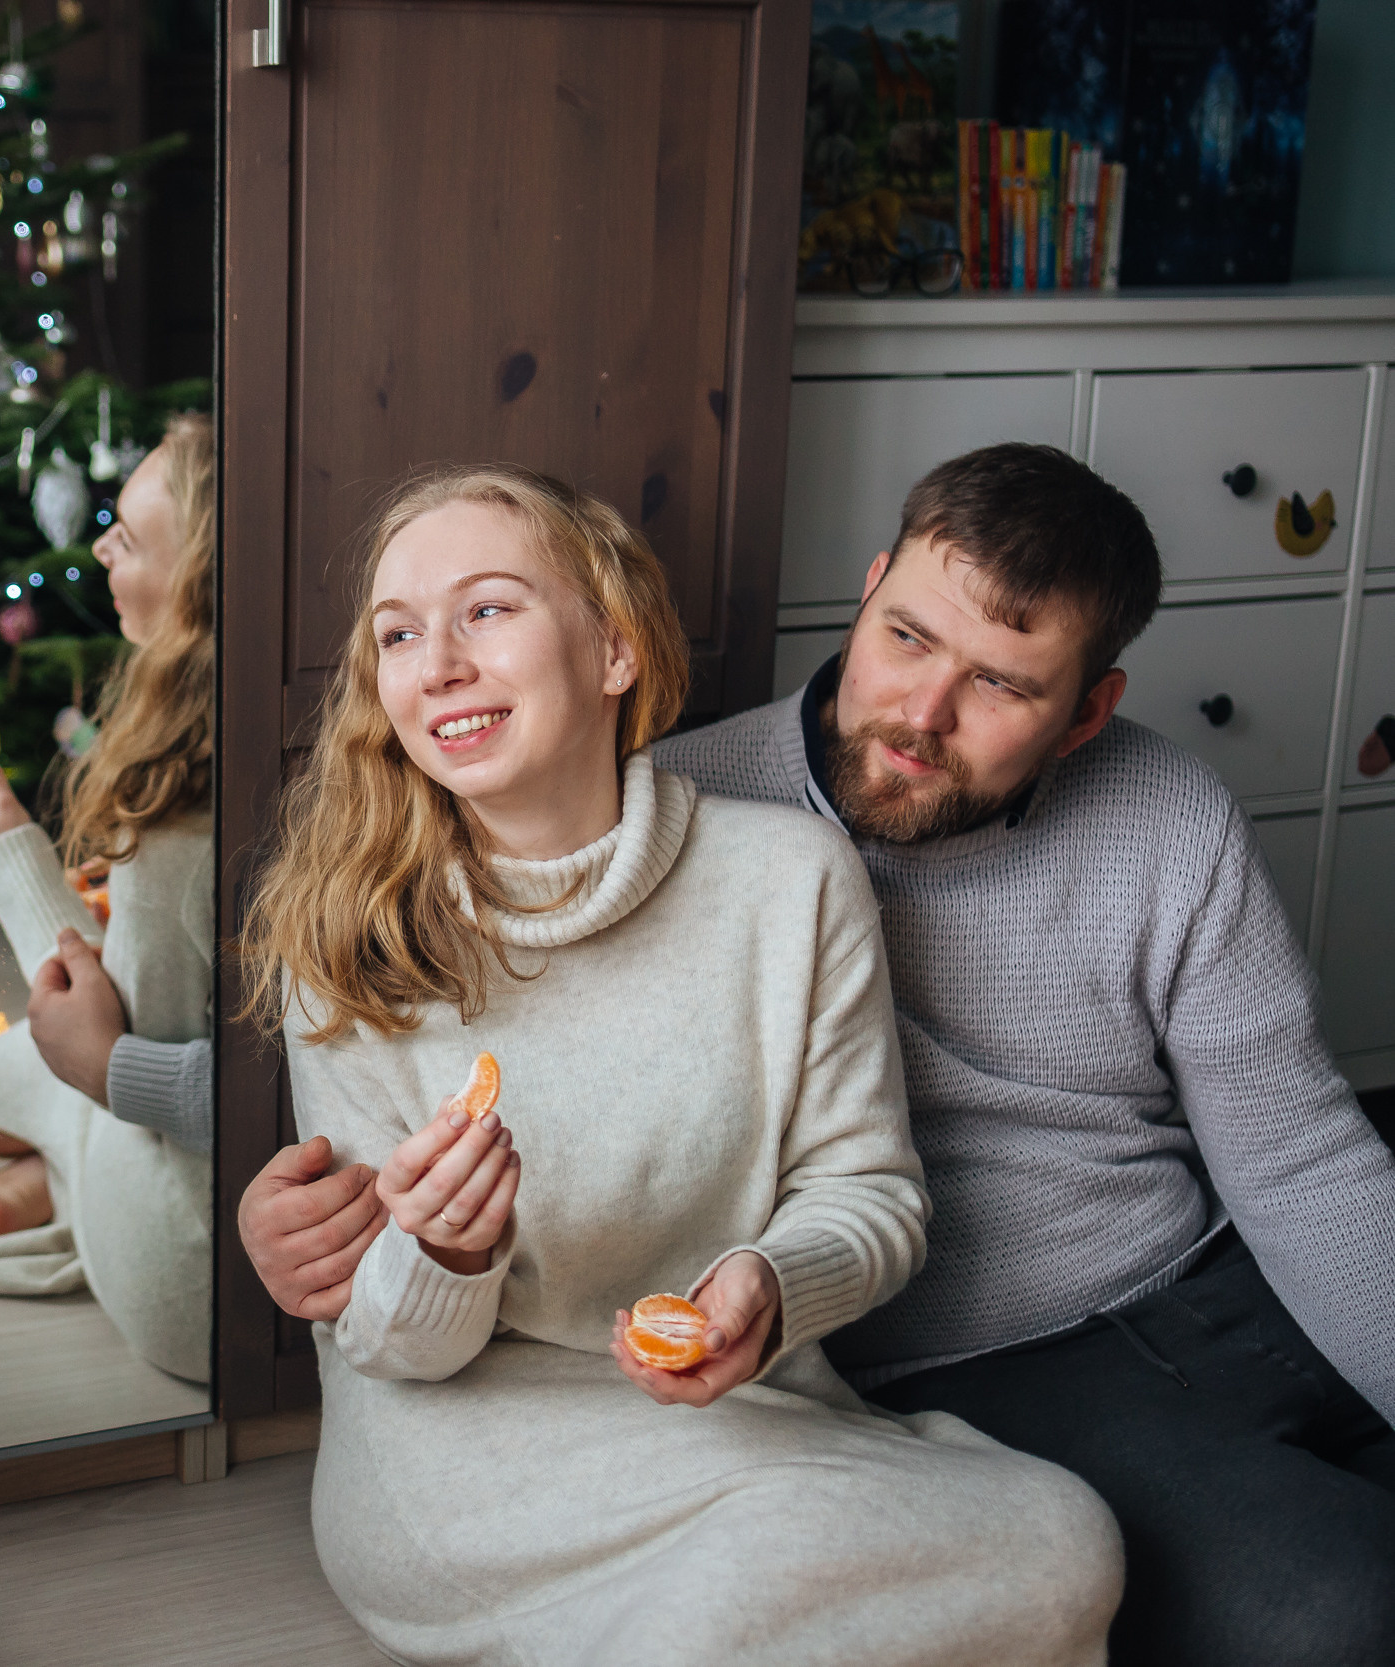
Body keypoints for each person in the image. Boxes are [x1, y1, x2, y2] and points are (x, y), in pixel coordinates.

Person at [243, 444, 1395, 1665]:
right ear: (868, 589)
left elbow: (1305, 1156)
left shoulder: (818, 863)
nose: (919, 712)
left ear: (1084, 715)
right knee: (1332, 1606)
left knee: (1113, 1548)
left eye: (1001, 683)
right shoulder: (389, 909)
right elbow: (378, 1307)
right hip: (955, 1366)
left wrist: (770, 1278)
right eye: (904, 638)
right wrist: (407, 1247)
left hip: (1189, 1277)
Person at [0, 415, 217, 1383]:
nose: (100, 544)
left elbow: (102, 1041)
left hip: (187, 1284)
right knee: (69, 1049)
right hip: (201, 1236)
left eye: (129, 537)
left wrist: (4, 849)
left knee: (57, 1045)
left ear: (192, 597)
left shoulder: (189, 836)